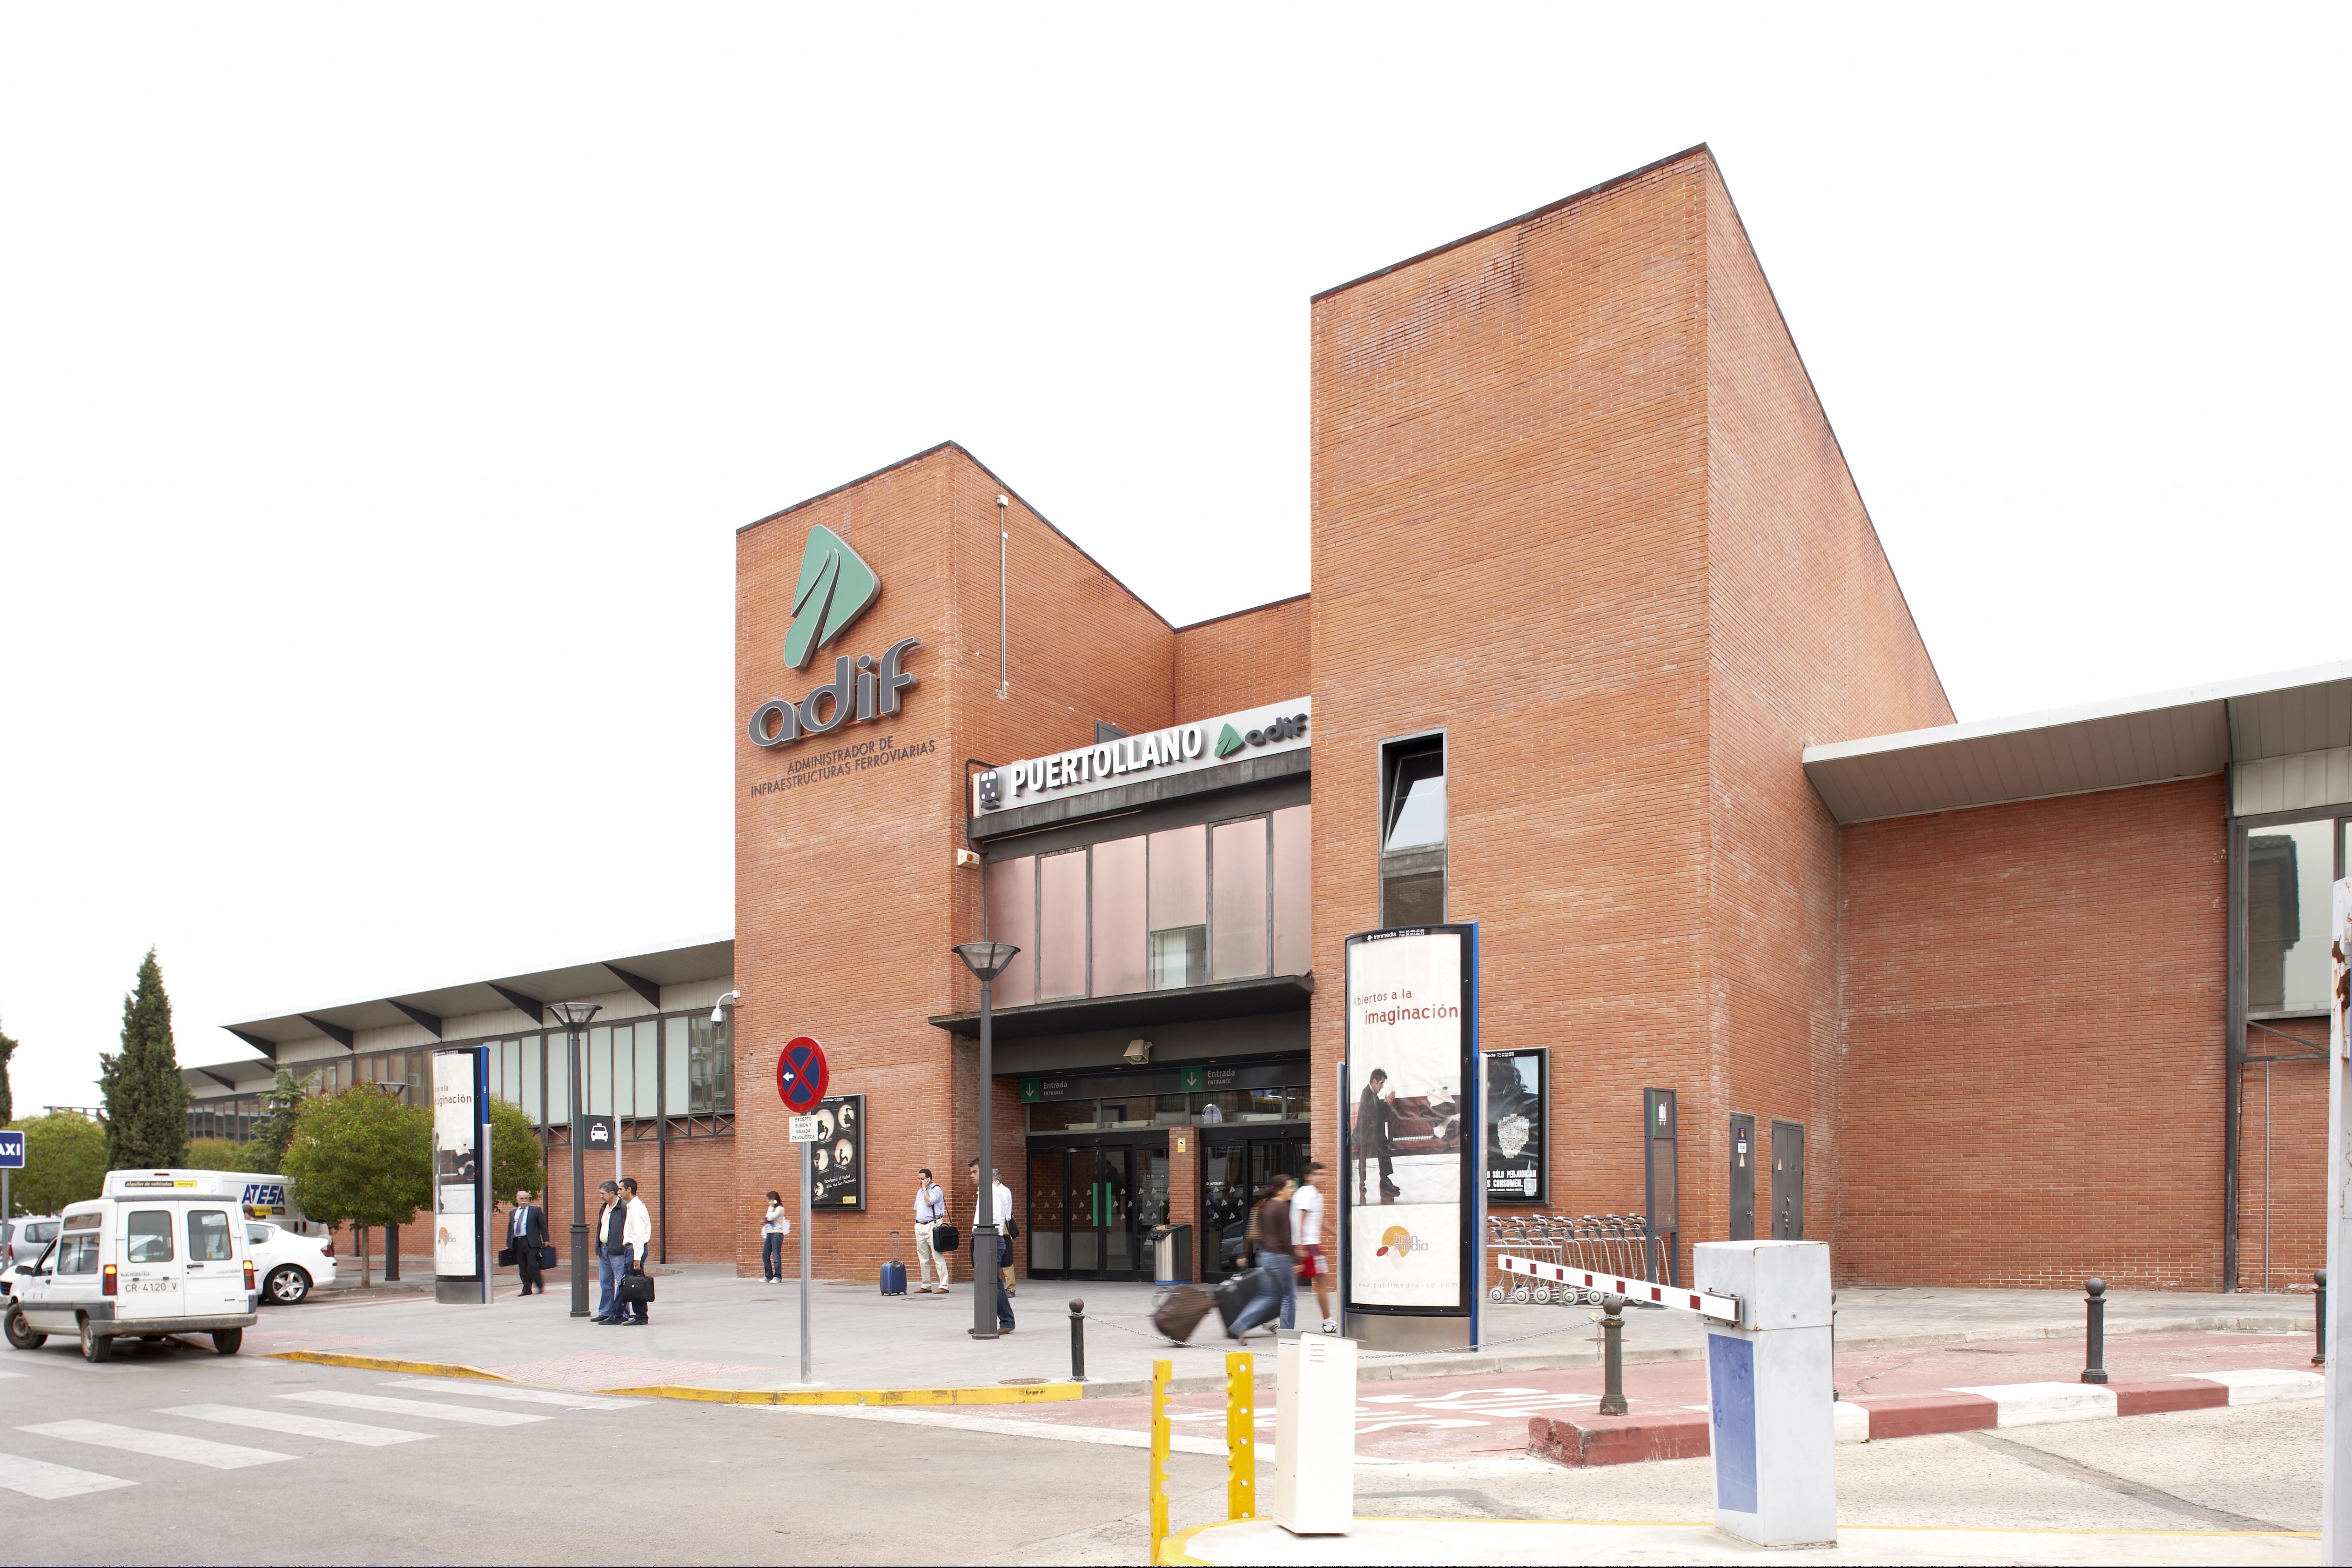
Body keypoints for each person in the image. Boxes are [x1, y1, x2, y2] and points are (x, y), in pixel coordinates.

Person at [1292, 1162, 1336, 1333]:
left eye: (1323, 1174)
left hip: (1310, 1245)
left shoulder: (1317, 1195)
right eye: (1317, 1174)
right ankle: (1328, 1322)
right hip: (1307, 1245)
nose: (1321, 1178)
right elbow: (1299, 1221)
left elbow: (1320, 1220)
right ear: (1307, 1177)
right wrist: (1299, 1246)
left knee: (1290, 1285)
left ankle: (1328, 1321)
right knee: (1320, 1283)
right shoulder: (1307, 1193)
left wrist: (1339, 1234)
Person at [968, 1159, 1016, 1299]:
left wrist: (992, 1238)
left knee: (991, 1284)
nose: (972, 1176)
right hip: (986, 1238)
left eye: (975, 1172)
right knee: (992, 1284)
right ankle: (1004, 1310)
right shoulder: (985, 1192)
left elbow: (997, 1218)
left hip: (992, 1238)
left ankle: (1010, 1289)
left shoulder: (993, 1192)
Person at [1356, 1069, 1399, 1204]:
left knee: (1382, 1141)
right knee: (1382, 1142)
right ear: (1374, 1081)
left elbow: (1377, 1114)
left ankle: (1385, 1180)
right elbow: (1374, 1116)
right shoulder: (1367, 1093)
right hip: (1364, 1136)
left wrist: (1384, 1104)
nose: (1382, 1087)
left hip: (1369, 1134)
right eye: (1381, 1083)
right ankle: (1384, 1180)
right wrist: (1386, 1104)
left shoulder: (1372, 1094)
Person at [618, 1176, 653, 1326]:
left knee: (635, 1283)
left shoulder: (637, 1209)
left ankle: (641, 1315)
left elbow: (639, 1235)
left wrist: (637, 1258)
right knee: (634, 1282)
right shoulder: (632, 1207)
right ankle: (639, 1314)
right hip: (632, 1249)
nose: (619, 1192)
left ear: (629, 1189)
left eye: (621, 1189)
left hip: (634, 1248)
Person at [591, 1180, 626, 1323]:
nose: (601, 1196)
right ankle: (605, 1311)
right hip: (604, 1249)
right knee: (605, 1282)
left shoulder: (623, 1207)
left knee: (621, 1282)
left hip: (618, 1251)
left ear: (612, 1193)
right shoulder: (604, 1207)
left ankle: (622, 1313)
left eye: (603, 1193)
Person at [913, 1168, 951, 1293]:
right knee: (923, 1258)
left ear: (929, 1179)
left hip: (933, 1225)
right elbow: (919, 1209)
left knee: (937, 1256)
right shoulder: (920, 1192)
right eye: (919, 1179)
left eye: (923, 1179)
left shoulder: (936, 1190)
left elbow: (929, 1202)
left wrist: (925, 1189)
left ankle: (944, 1285)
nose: (920, 1181)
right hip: (920, 1226)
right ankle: (926, 1285)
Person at [508, 1189, 548, 1297]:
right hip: (518, 1242)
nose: (524, 1201)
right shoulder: (513, 1213)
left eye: (526, 1198)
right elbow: (510, 1229)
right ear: (517, 1200)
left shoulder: (535, 1211)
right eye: (522, 1199)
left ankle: (539, 1285)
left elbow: (543, 1226)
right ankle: (526, 1288)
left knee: (532, 1265)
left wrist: (546, 1240)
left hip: (531, 1242)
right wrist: (509, 1243)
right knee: (522, 1267)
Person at [760, 1191, 787, 1284]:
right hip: (769, 1233)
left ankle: (778, 1277)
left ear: (774, 1200)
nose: (768, 1202)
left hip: (777, 1234)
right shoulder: (772, 1209)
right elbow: (767, 1218)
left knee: (776, 1256)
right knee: (765, 1255)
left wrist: (771, 1207)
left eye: (769, 1200)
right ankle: (768, 1276)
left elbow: (770, 1218)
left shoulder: (780, 1209)